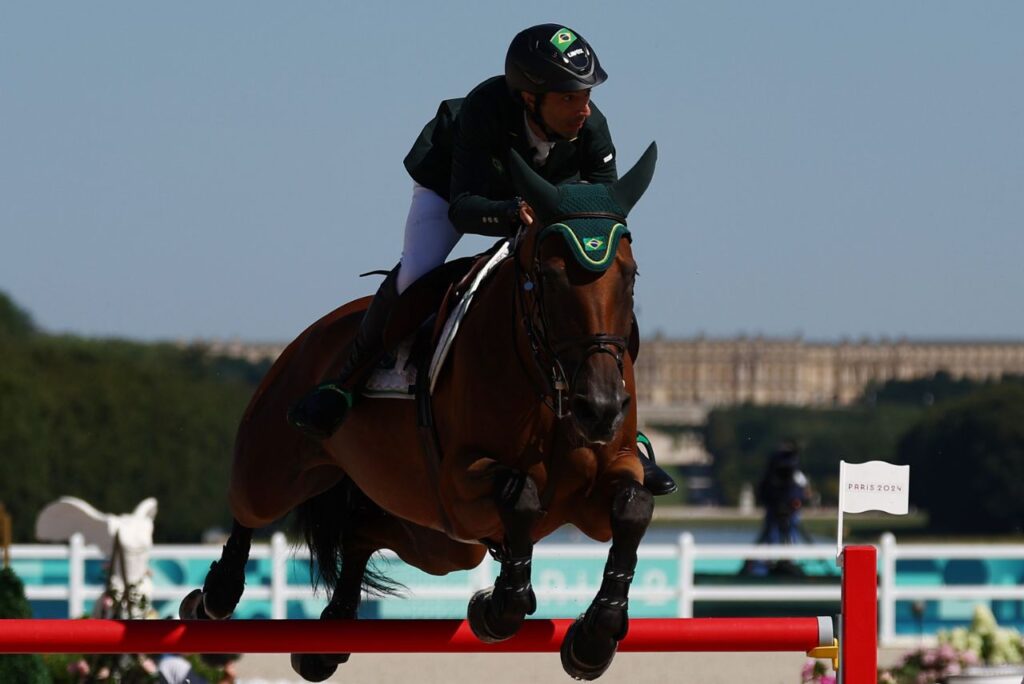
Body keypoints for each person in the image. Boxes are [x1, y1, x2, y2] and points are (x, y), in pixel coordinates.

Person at [288, 23, 677, 495]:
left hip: (542, 210)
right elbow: (464, 206)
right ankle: (343, 384)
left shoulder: (591, 127)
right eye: (571, 97)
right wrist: (511, 213)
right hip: (458, 191)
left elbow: (601, 210)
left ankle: (628, 438)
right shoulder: (484, 110)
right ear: (531, 98)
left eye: (586, 95)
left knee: (601, 296)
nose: (585, 108)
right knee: (416, 274)